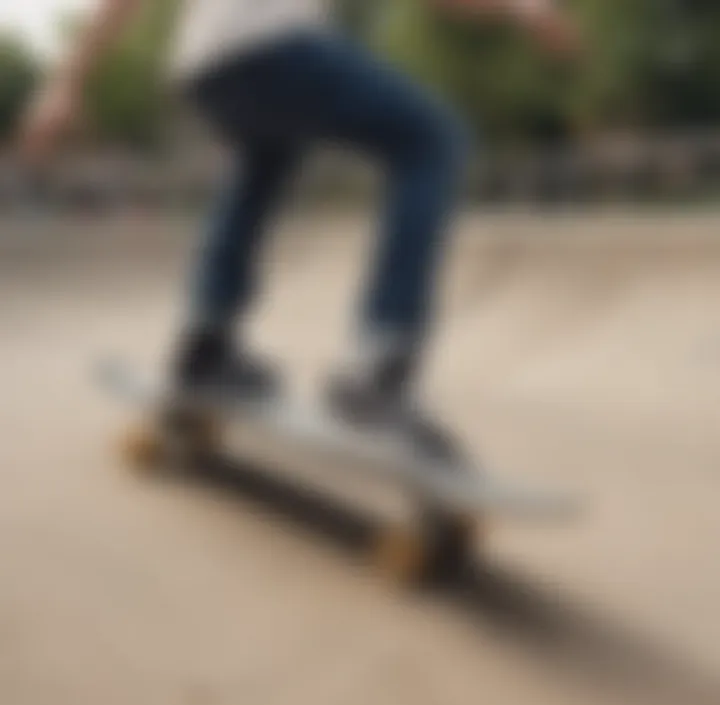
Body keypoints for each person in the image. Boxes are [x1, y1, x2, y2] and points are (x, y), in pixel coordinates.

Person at [18, 0, 580, 458]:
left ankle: (206, 343)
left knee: (266, 154)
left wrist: (65, 82)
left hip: (206, 67)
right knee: (430, 139)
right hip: (272, 45)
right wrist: (519, 10)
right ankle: (379, 370)